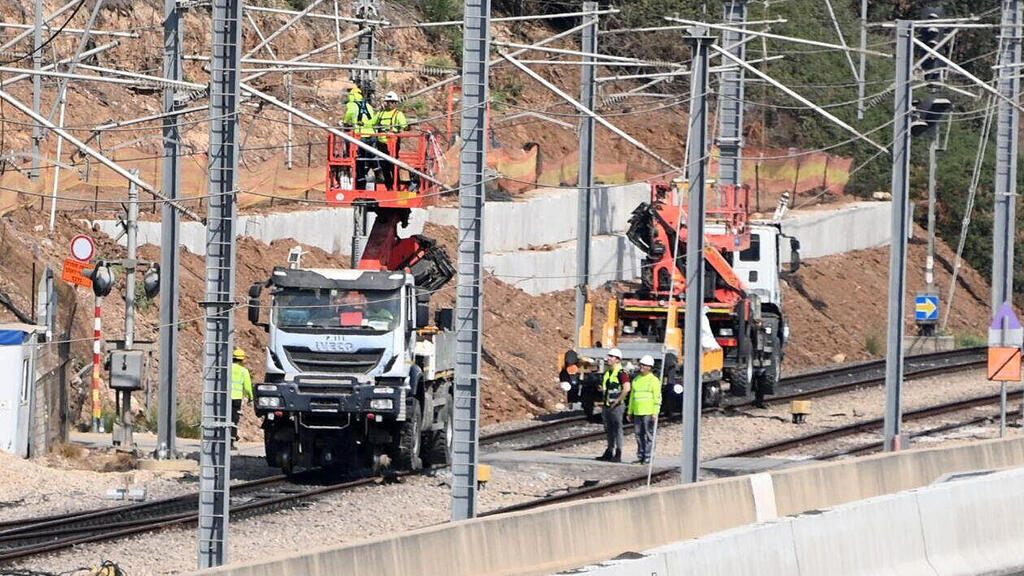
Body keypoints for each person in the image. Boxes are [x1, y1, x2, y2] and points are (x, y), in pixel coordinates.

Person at [597, 348, 631, 462]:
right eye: (609, 356)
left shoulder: (621, 373)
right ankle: (609, 451)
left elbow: (627, 388)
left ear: (618, 360)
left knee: (617, 429)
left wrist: (618, 401)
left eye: (612, 357)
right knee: (609, 429)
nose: (609, 358)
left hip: (616, 406)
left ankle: (618, 452)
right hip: (607, 405)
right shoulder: (608, 373)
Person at [628, 355, 661, 464]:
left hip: (648, 412)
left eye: (644, 365)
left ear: (649, 367)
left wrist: (655, 412)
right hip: (638, 411)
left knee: (649, 435)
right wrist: (630, 412)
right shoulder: (636, 380)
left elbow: (657, 398)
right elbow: (632, 397)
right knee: (638, 435)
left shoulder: (654, 381)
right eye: (641, 364)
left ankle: (648, 456)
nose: (642, 367)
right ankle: (641, 455)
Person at [342, 86, 377, 190]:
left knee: (359, 160)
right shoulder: (368, 105)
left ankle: (361, 181)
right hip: (372, 135)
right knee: (371, 158)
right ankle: (377, 173)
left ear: (352, 96)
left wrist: (345, 122)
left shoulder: (352, 105)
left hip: (360, 136)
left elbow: (349, 114)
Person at [372, 91, 408, 189]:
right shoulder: (380, 114)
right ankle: (389, 187)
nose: (389, 104)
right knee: (384, 165)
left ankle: (396, 185)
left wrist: (400, 130)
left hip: (393, 143)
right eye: (388, 102)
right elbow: (371, 123)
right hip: (381, 143)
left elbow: (404, 126)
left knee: (393, 165)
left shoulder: (398, 114)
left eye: (391, 102)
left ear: (395, 103)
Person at [231, 348, 253, 449]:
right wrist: (251, 398)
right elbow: (248, 387)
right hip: (236, 399)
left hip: (225, 398)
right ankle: (231, 441)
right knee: (234, 419)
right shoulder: (244, 371)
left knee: (223, 418)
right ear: (242, 360)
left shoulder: (227, 368)